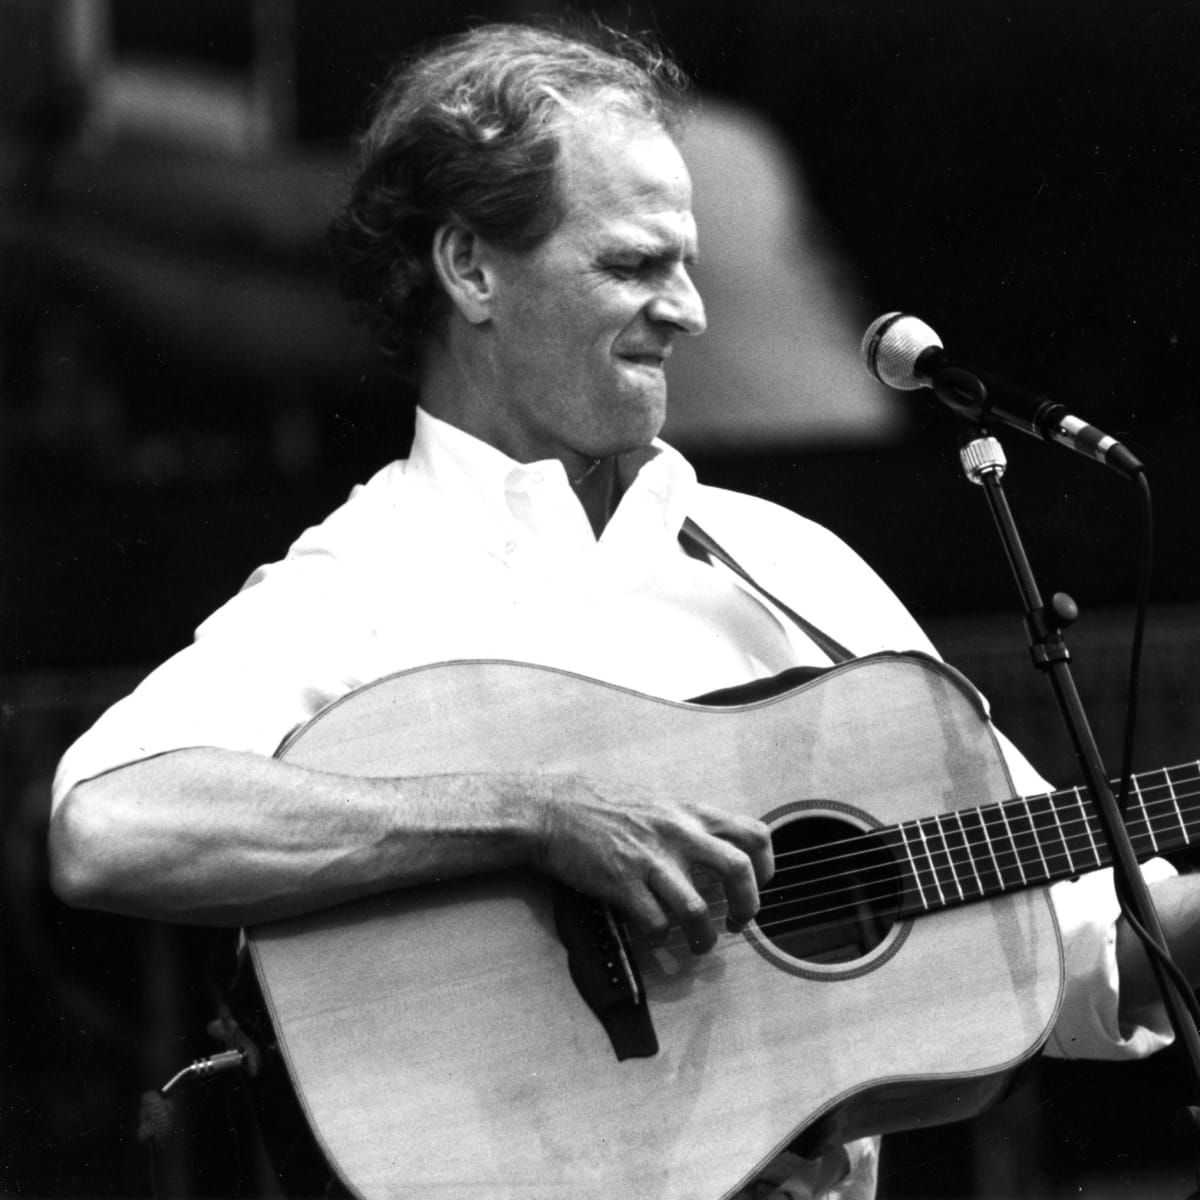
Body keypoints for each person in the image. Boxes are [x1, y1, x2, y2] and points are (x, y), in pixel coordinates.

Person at [47, 21, 1199, 1200]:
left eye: (688, 263)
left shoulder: (783, 563)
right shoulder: (366, 576)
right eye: (634, 266)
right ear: (473, 269)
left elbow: (1097, 951)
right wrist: (529, 817)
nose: (691, 310)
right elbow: (109, 826)